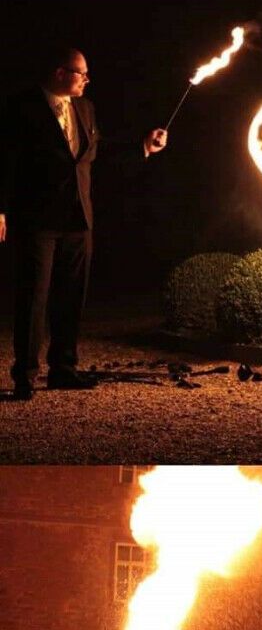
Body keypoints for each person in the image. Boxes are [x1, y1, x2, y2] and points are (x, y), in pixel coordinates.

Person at [0, 47, 167, 400]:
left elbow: (97, 151)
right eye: (81, 73)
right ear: (60, 73)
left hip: (79, 217)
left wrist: (143, 146)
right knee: (34, 298)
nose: (87, 79)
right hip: (38, 219)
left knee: (71, 296)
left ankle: (63, 368)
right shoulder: (22, 107)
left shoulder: (85, 108)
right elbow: (5, 160)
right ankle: (25, 375)